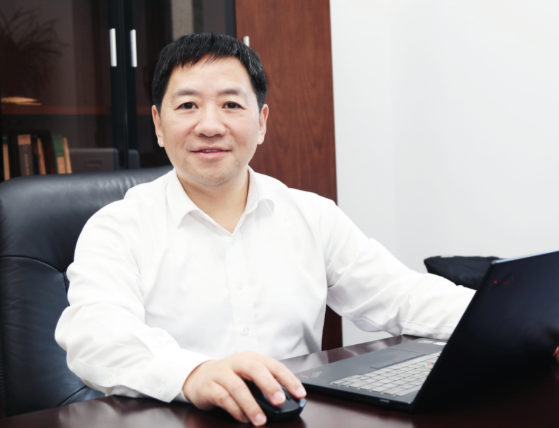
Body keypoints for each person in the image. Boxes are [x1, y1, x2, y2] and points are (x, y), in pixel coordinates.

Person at [56, 33, 477, 426]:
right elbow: (96, 335)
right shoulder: (117, 228)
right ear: (158, 124)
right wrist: (194, 373)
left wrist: (509, 322)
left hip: (291, 417)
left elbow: (402, 295)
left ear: (261, 122)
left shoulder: (311, 215)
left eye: (231, 105)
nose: (209, 125)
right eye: (187, 106)